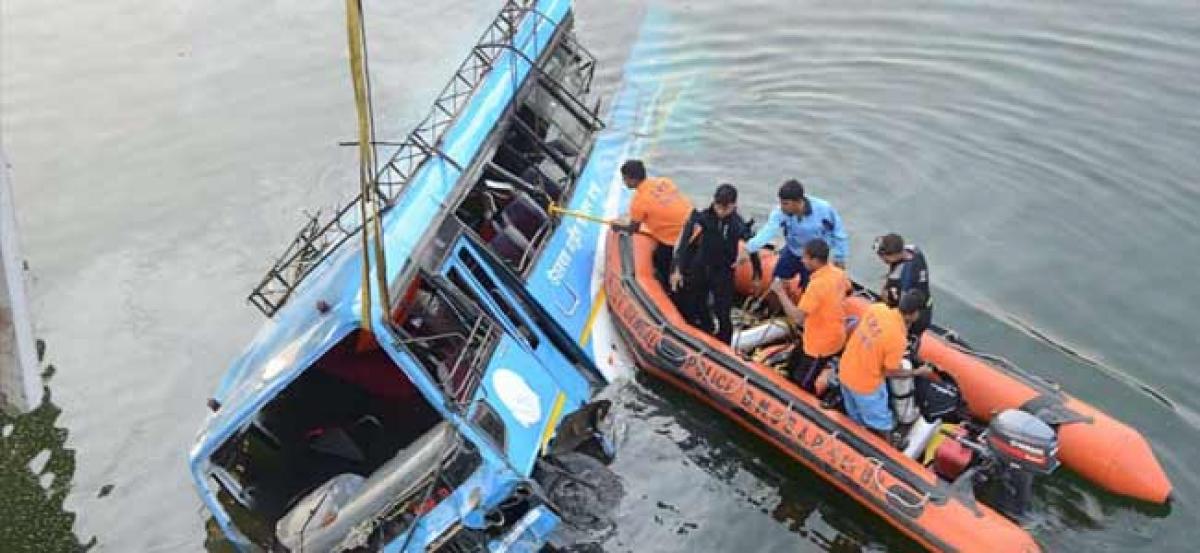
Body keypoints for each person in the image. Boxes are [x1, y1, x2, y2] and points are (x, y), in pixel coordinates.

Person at [669, 184, 762, 344]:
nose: (720, 211)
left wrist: (756, 274)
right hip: (701, 265)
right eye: (718, 206)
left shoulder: (737, 224)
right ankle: (706, 327)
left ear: (734, 205)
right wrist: (676, 268)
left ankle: (724, 344)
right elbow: (684, 242)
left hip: (724, 271)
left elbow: (752, 248)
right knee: (696, 301)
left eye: (725, 208)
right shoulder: (703, 216)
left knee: (723, 312)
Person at [836, 291, 932, 443]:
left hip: (846, 371)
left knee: (854, 416)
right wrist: (917, 372)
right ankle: (887, 447)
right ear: (913, 314)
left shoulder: (877, 309)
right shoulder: (898, 339)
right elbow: (890, 372)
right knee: (881, 423)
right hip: (865, 386)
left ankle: (857, 438)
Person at [768, 239, 849, 392]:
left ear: (815, 260)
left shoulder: (817, 285)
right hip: (822, 333)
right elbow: (847, 290)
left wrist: (780, 292)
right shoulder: (838, 274)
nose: (802, 260)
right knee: (792, 366)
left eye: (805, 257)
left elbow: (798, 318)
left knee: (803, 383)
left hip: (821, 343)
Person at [740, 179, 848, 290]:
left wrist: (840, 257)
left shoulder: (824, 210)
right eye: (781, 203)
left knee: (810, 289)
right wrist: (749, 248)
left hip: (814, 257)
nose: (782, 207)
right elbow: (767, 231)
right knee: (776, 283)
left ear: (798, 201)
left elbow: (839, 233)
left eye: (785, 203)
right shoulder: (780, 213)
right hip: (793, 250)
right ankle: (778, 303)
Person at [615, 160, 694, 285]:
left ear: (632, 179)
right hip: (694, 225)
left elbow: (633, 229)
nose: (624, 182)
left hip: (678, 240)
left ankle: (668, 289)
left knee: (660, 260)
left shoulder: (639, 201)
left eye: (624, 179)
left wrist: (617, 227)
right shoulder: (664, 182)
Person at [874, 233, 933, 358]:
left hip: (916, 315)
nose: (883, 261)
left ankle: (907, 358)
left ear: (894, 255)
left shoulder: (905, 277)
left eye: (884, 258)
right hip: (918, 302)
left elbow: (904, 309)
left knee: (904, 347)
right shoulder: (911, 250)